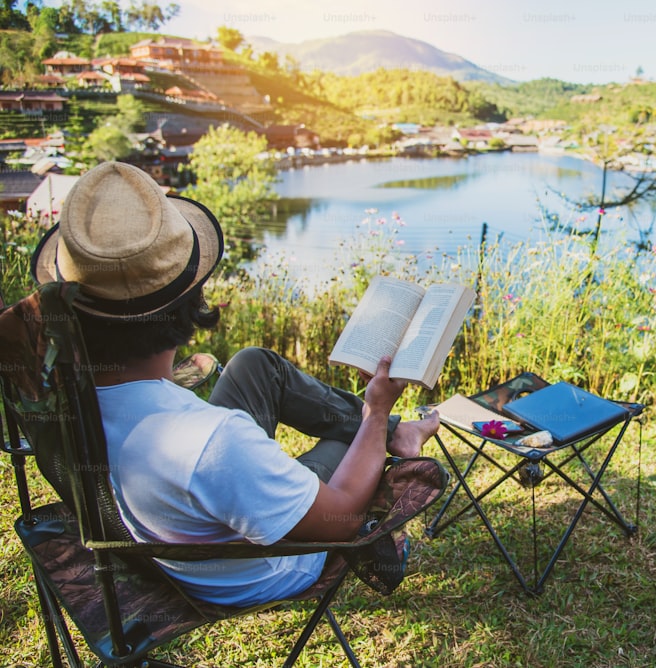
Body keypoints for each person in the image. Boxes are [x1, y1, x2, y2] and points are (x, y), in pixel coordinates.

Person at [30, 161, 440, 607]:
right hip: (261, 567)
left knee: (254, 365)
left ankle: (396, 432)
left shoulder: (66, 396)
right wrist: (375, 412)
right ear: (190, 305)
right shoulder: (212, 441)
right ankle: (389, 429)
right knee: (354, 441)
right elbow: (339, 517)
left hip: (168, 524)